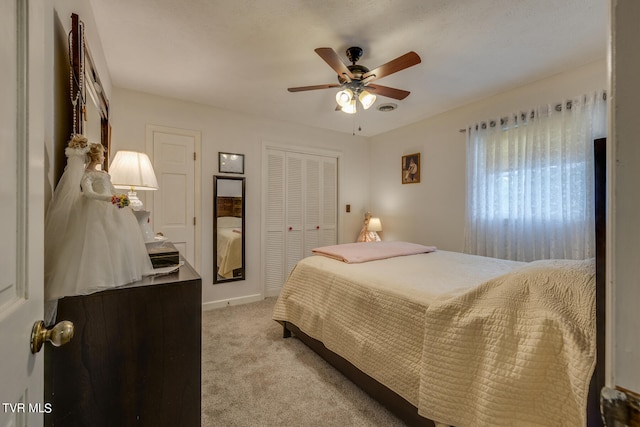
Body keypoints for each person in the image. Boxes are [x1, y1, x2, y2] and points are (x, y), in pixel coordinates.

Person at [44, 137, 153, 324]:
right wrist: (109, 199)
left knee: (117, 241)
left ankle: (118, 277)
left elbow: (110, 189)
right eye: (102, 154)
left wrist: (120, 198)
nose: (103, 157)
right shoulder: (87, 175)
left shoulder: (104, 174)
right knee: (95, 242)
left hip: (110, 209)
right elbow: (89, 194)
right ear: (95, 156)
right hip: (94, 211)